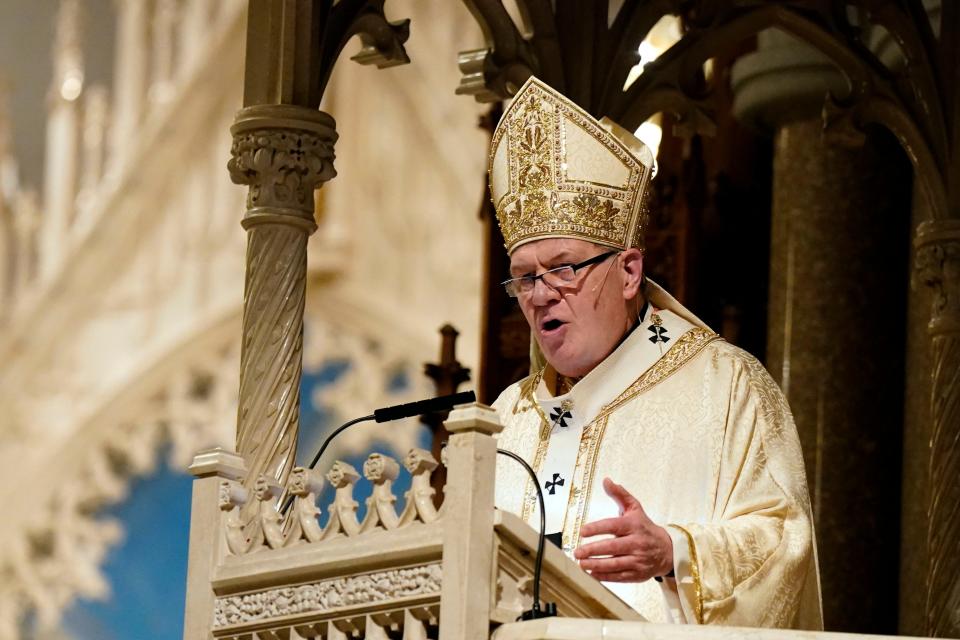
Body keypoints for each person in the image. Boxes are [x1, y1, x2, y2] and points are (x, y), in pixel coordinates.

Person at [490, 76, 823, 628]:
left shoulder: (726, 386)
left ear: (628, 272)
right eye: (524, 279)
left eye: (563, 268)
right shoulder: (505, 418)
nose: (541, 294)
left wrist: (675, 553)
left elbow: (784, 541)